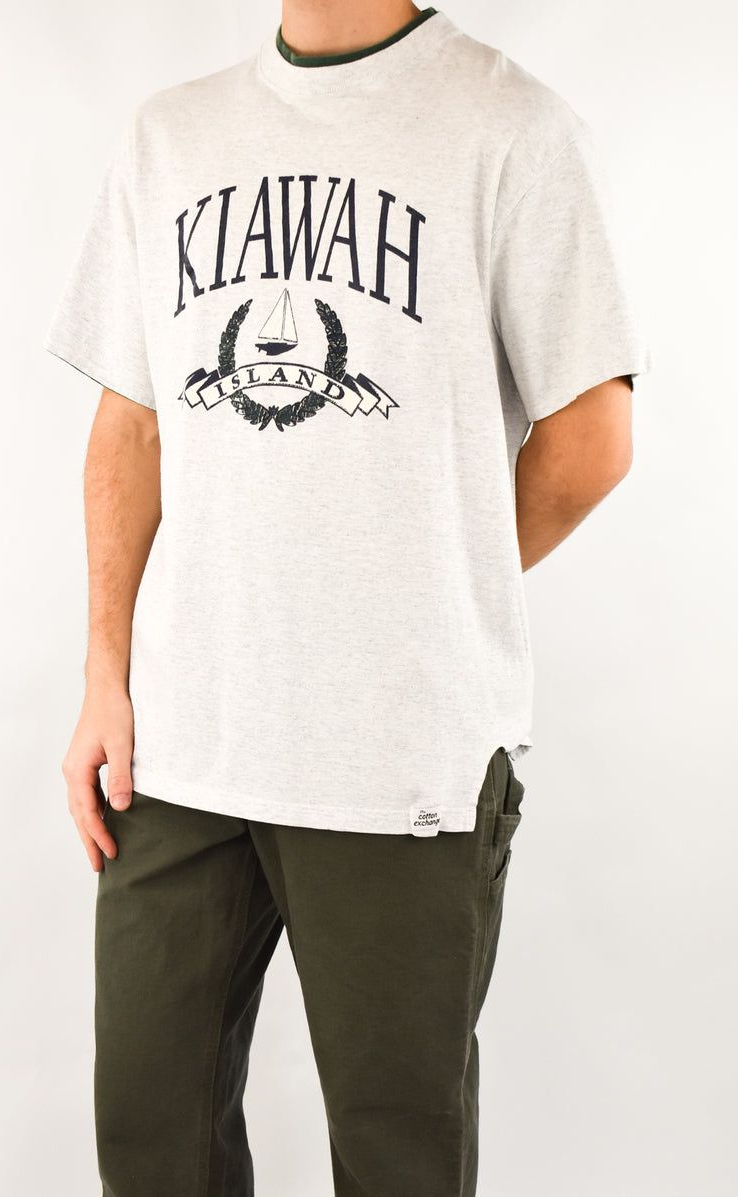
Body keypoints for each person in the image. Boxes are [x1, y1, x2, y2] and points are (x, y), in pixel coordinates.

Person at [43, 2, 651, 1194]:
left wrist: (417, 580)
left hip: (400, 762)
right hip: (178, 750)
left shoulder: (511, 127)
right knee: (150, 1136)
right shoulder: (168, 135)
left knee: (396, 1157)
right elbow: (132, 425)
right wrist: (102, 675)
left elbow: (591, 442)